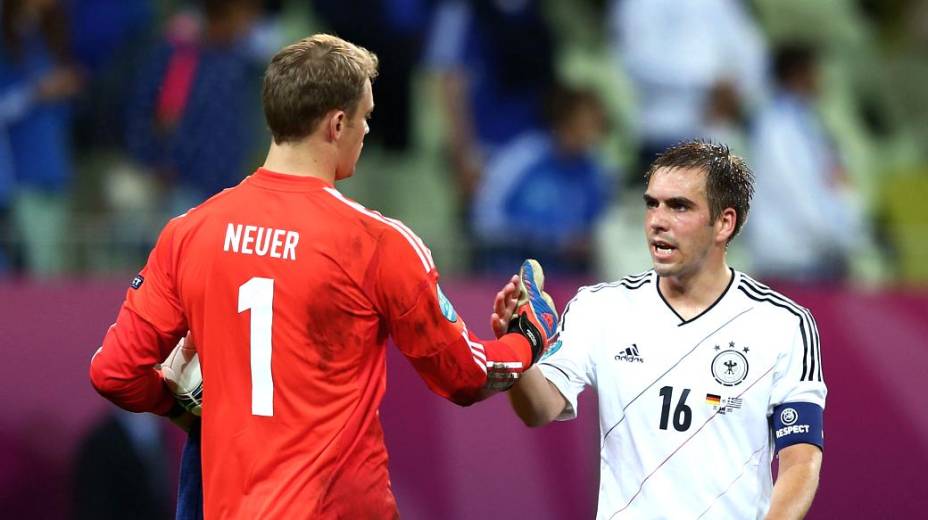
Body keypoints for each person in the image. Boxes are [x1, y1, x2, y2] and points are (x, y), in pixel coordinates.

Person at [89, 34, 557, 519]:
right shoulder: (376, 243)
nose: (367, 130)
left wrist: (183, 412)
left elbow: (114, 372)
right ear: (337, 124)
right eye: (365, 117)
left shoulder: (190, 231)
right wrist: (526, 339)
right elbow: (466, 376)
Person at [504, 141, 826, 519]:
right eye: (652, 203)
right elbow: (539, 409)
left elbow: (800, 463)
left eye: (679, 206)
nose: (657, 220)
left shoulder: (783, 325)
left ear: (724, 223)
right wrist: (519, 350)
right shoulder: (600, 309)